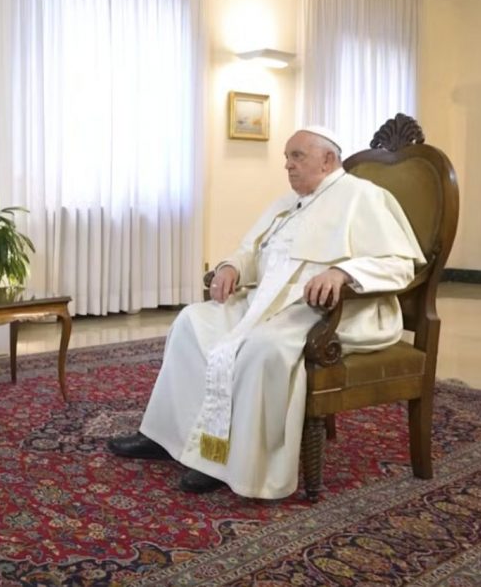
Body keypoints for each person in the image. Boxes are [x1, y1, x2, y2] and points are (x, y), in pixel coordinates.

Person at [108, 126, 426, 499]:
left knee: (262, 348)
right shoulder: (286, 203)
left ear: (327, 160)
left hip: (327, 312)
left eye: (297, 156)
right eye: (286, 158)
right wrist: (232, 267)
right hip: (265, 302)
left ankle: (229, 462)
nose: (287, 166)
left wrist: (342, 273)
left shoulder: (364, 196)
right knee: (191, 321)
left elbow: (400, 266)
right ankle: (165, 435)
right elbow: (253, 251)